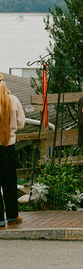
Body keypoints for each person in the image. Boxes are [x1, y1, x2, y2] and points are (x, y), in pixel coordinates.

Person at [0, 74, 25, 227]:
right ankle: (12, 216)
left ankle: (0, 220)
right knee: (10, 183)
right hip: (8, 147)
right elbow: (21, 123)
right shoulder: (13, 100)